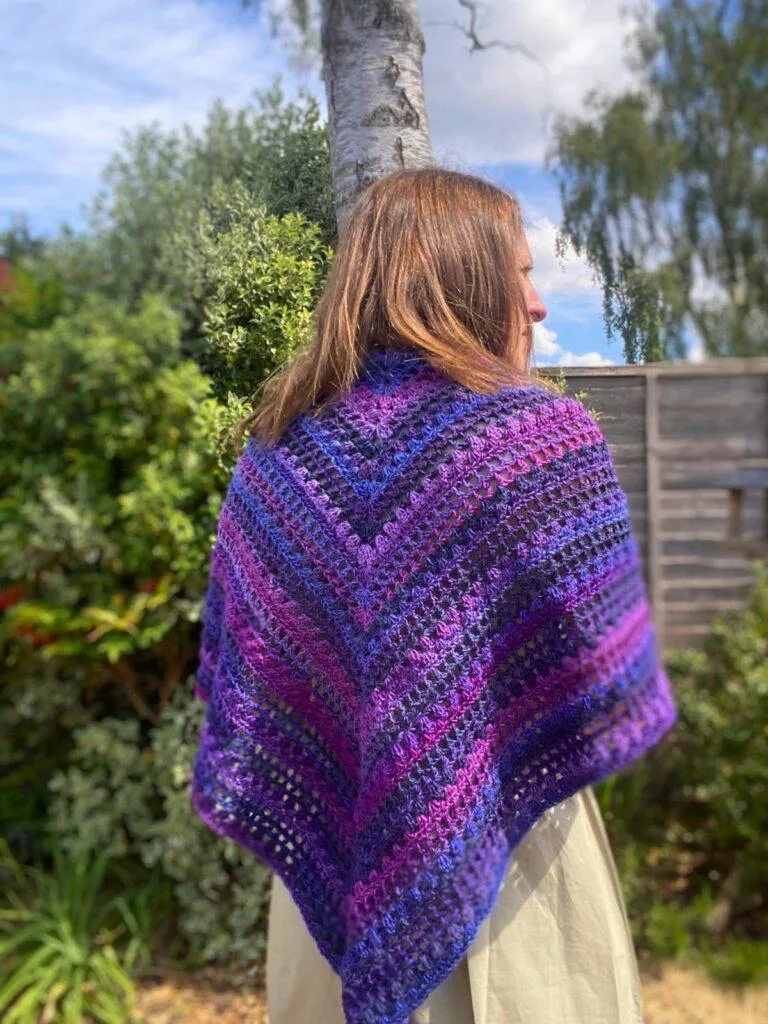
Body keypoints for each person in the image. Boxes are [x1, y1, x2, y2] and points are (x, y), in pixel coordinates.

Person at [190, 167, 678, 1024]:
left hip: (329, 895)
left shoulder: (274, 457)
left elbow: (246, 684)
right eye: (523, 273)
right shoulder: (543, 441)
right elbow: (610, 679)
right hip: (520, 893)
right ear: (464, 276)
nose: (536, 305)